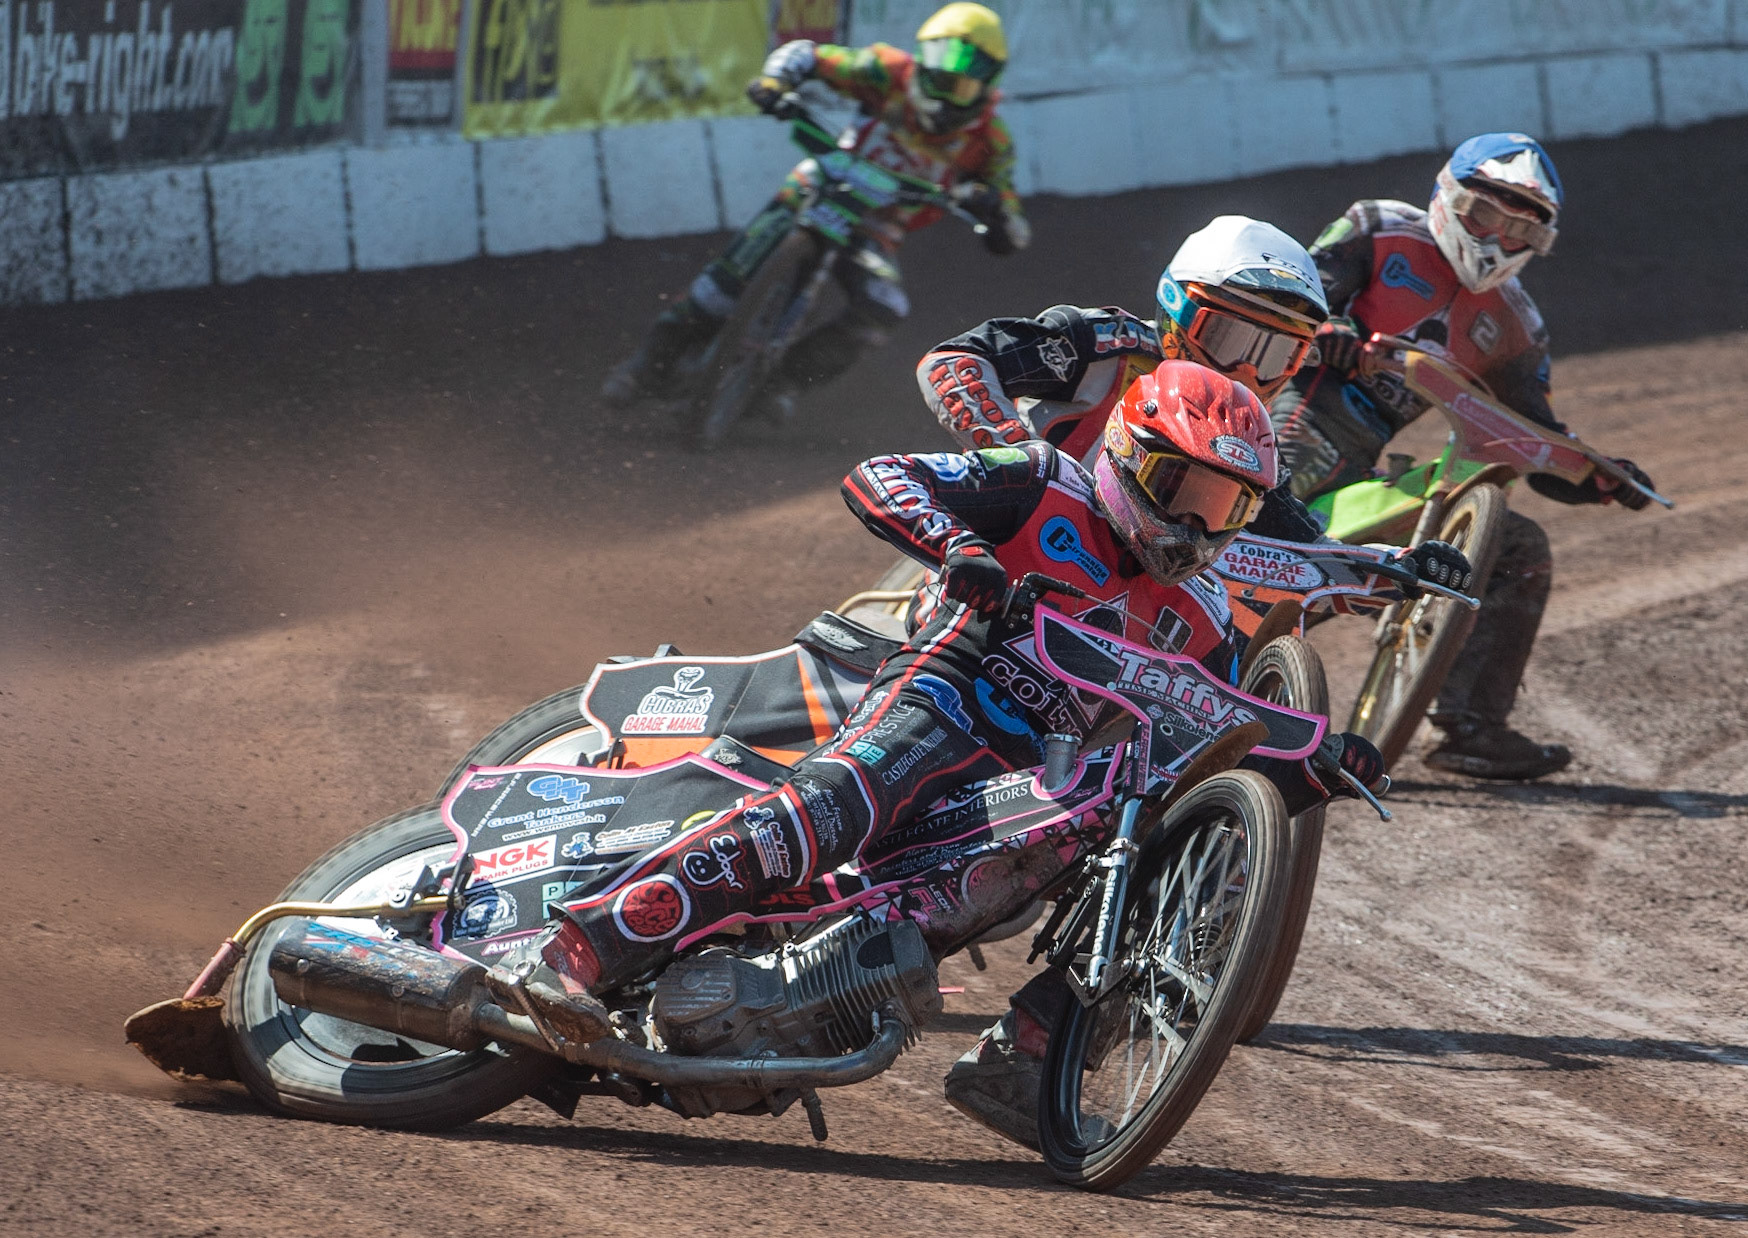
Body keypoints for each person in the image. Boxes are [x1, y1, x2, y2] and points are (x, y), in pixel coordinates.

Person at [528, 362, 1471, 1149]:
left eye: (1227, 506)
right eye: (1184, 492)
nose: (1197, 525)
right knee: (836, 807)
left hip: (1038, 787)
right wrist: (958, 549)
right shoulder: (1043, 480)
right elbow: (881, 474)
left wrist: (1314, 764)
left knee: (1156, 880)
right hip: (949, 689)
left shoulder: (1206, 616)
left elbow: (1211, 732)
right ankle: (584, 946)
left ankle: (1024, 1058)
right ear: (1131, 459)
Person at [1269, 132, 1657, 781]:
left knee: (1513, 543)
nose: (1497, 241)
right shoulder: (1378, 228)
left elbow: (1530, 439)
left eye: (1518, 232)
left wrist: (1601, 478)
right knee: (1275, 493)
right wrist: (1324, 329)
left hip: (1361, 463)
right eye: (1484, 217)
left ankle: (1471, 727)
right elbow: (1288, 298)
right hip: (1282, 418)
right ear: (1449, 200)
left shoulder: (1514, 325)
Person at [602, 3, 1030, 417]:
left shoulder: (991, 140)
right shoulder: (886, 70)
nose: (946, 89)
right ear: (920, 58)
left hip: (875, 225)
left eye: (962, 84)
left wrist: (996, 214)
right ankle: (645, 367)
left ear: (988, 82)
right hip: (819, 185)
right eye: (938, 73)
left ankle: (781, 384)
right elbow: (806, 54)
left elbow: (1010, 212)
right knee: (719, 287)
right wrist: (774, 82)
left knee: (885, 307)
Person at [918, 214, 1327, 459]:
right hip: (1012, 556)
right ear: (1178, 309)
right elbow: (954, 360)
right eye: (1231, 339)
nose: (1245, 370)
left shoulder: (1250, 434)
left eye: (1277, 355)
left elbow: (1288, 539)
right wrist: (1020, 459)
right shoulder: (1108, 346)